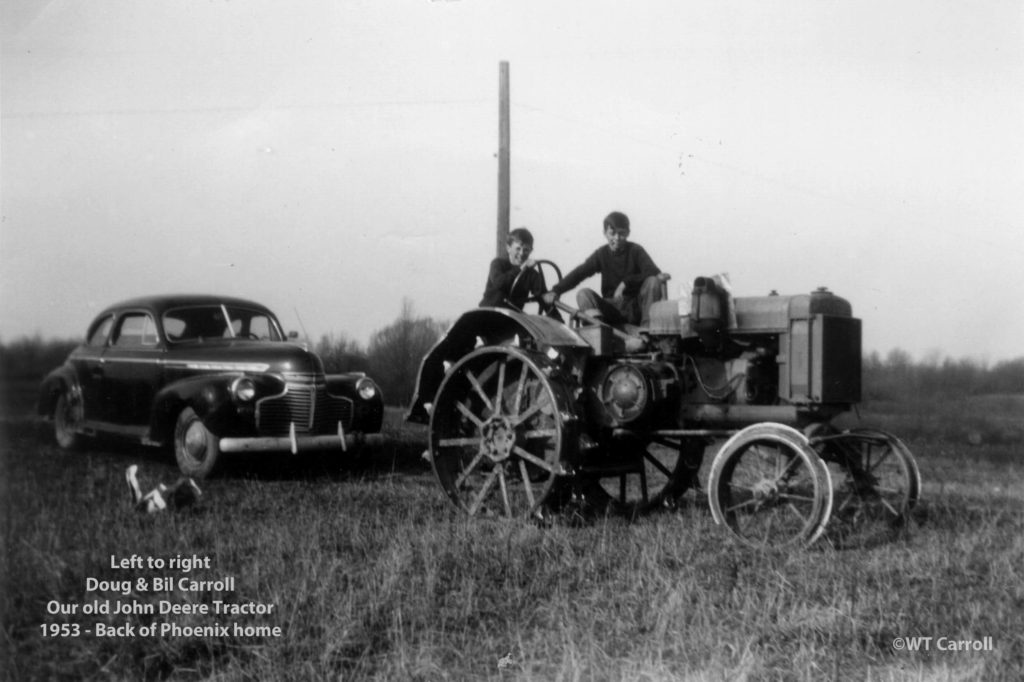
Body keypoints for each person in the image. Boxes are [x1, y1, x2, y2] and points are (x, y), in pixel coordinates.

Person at [542, 211, 670, 327]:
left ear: (628, 233)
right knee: (583, 294)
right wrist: (556, 290)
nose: (617, 238)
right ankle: (600, 330)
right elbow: (580, 272)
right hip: (611, 308)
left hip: (635, 308)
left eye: (622, 234)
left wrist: (626, 283)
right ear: (605, 233)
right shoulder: (601, 254)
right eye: (612, 233)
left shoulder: (636, 250)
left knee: (653, 281)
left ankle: (647, 331)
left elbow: (654, 271)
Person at [479, 227, 544, 310]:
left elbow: (543, 296)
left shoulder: (532, 274)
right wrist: (521, 269)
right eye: (518, 249)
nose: (521, 253)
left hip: (511, 316)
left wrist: (558, 319)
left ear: (531, 251)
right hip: (489, 312)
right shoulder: (497, 264)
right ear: (508, 248)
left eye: (526, 250)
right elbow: (499, 283)